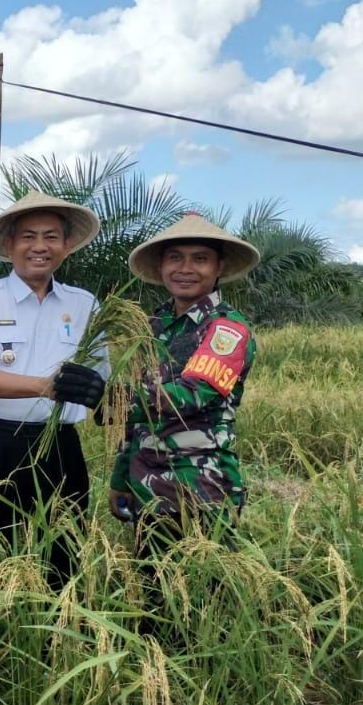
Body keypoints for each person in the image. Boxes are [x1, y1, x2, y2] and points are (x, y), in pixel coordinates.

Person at [0, 191, 107, 584]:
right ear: (10, 245)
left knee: (61, 560)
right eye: (28, 236)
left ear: (66, 245)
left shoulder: (85, 306)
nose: (39, 247)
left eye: (51, 237)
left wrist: (97, 392)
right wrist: (43, 387)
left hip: (59, 449)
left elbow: (101, 384)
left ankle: (50, 642)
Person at [111, 212, 260, 551]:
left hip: (202, 489)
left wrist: (114, 399)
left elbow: (191, 395)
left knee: (203, 595)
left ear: (219, 266)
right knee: (150, 594)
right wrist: (120, 479)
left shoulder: (226, 329)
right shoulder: (153, 326)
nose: (185, 268)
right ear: (162, 265)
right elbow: (133, 423)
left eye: (200, 259)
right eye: (175, 258)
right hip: (146, 488)